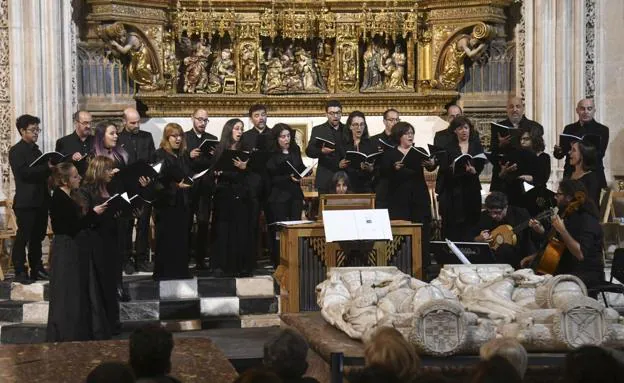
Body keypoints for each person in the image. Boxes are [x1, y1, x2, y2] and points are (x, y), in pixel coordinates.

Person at [46, 162, 108, 342]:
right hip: (66, 248)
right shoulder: (58, 198)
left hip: (75, 247)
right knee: (68, 291)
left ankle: (81, 329)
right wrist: (93, 214)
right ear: (64, 180)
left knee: (79, 289)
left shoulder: (72, 196)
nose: (79, 178)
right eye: (74, 176)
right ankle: (67, 331)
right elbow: (70, 227)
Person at [521, 180, 604, 290]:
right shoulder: (567, 215)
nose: (555, 197)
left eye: (558, 194)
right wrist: (536, 256)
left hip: (587, 272)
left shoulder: (587, 220)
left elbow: (580, 254)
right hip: (568, 266)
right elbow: (556, 244)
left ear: (569, 198)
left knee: (547, 284)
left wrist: (562, 230)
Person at [382, 121, 434, 270]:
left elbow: (430, 167)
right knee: (401, 235)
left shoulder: (419, 150)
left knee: (421, 235)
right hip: (398, 201)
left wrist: (430, 164)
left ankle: (421, 269)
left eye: (412, 133)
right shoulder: (390, 154)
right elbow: (383, 174)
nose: (410, 135)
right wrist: (394, 168)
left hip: (419, 199)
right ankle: (400, 267)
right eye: (407, 133)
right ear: (399, 136)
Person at [79, 155, 120, 337]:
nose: (111, 173)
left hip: (112, 238)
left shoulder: (112, 187)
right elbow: (83, 219)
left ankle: (113, 322)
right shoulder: (86, 190)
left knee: (112, 281)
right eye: (108, 169)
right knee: (100, 281)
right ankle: (101, 324)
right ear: (99, 171)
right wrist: (95, 213)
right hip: (96, 240)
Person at [9, 114, 52, 283]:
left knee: (38, 237)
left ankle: (37, 268)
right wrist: (46, 168)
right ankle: (20, 270)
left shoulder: (37, 151)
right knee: (24, 236)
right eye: (32, 130)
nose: (36, 133)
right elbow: (24, 173)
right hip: (26, 201)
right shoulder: (16, 151)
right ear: (22, 131)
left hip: (41, 200)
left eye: (37, 130)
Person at [211, 119, 255, 277]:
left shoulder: (246, 149)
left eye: (242, 128)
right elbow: (213, 169)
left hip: (241, 193)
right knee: (223, 229)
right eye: (236, 128)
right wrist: (216, 173)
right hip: (223, 194)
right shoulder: (220, 149)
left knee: (240, 229)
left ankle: (240, 265)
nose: (240, 131)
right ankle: (221, 264)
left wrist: (245, 167)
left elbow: (253, 172)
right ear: (229, 130)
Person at [117, 107, 156, 275]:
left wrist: (149, 177)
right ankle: (126, 260)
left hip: (144, 187)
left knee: (143, 224)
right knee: (126, 225)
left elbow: (153, 161)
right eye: (132, 122)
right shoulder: (118, 138)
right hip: (126, 188)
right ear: (124, 121)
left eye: (138, 121)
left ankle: (141, 259)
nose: (136, 125)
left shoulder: (147, 137)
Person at [152, 123, 192, 280]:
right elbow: (156, 181)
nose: (178, 139)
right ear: (167, 137)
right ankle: (164, 272)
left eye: (180, 135)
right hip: (166, 203)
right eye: (174, 136)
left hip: (182, 202)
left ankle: (180, 270)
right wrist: (175, 186)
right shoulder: (159, 155)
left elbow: (187, 174)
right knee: (166, 238)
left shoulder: (183, 155)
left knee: (181, 237)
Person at [438, 116, 485, 241]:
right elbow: (443, 168)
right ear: (455, 131)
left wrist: (474, 171)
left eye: (466, 128)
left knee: (471, 223)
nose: (464, 131)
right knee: (453, 226)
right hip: (454, 190)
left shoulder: (476, 145)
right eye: (460, 128)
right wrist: (453, 167)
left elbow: (480, 163)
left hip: (471, 188)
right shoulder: (448, 147)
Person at [490, 97, 543, 201]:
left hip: (526, 175)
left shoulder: (534, 126)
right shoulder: (499, 127)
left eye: (518, 106)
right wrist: (500, 144)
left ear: (523, 108)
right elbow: (492, 152)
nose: (514, 109)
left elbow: (539, 149)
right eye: (511, 107)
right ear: (507, 109)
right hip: (504, 177)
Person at [266, 124, 305, 267]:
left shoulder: (295, 150)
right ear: (277, 138)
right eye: (283, 136)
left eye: (288, 136)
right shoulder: (272, 154)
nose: (286, 139)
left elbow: (300, 167)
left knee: (295, 227)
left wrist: (302, 173)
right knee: (280, 231)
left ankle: (295, 260)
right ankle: (279, 261)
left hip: (295, 194)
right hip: (278, 196)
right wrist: (288, 177)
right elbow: (271, 177)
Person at [184, 108, 218, 270]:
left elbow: (214, 164)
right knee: (186, 223)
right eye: (199, 119)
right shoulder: (184, 137)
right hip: (189, 186)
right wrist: (188, 156)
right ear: (192, 118)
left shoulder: (212, 139)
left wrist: (214, 155)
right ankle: (184, 257)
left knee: (204, 223)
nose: (202, 123)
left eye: (205, 120)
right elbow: (179, 162)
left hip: (205, 186)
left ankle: (200, 258)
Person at [241, 104, 274, 266]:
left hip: (270, 185)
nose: (261, 118)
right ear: (251, 118)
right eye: (257, 115)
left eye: (263, 114)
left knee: (273, 223)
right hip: (252, 185)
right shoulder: (245, 137)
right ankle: (251, 260)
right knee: (251, 222)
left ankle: (275, 259)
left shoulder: (274, 135)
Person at [554, 98, 610, 189]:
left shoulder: (602, 130)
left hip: (593, 175)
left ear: (594, 111)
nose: (586, 112)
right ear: (577, 110)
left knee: (591, 202)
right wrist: (558, 151)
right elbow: (560, 155)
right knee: (569, 201)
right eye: (582, 108)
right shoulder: (569, 128)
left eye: (589, 108)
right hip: (571, 174)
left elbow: (600, 154)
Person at [474, 192, 536, 269]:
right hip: (491, 260)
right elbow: (471, 237)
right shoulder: (485, 216)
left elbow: (531, 240)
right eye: (490, 212)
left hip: (518, 258)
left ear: (506, 207)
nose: (493, 216)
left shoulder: (520, 214)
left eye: (497, 212)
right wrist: (479, 239)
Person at [306, 100, 347, 194]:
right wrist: (321, 151)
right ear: (327, 114)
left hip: (345, 180)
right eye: (332, 113)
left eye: (338, 113)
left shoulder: (347, 129)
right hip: (325, 178)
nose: (335, 116)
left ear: (341, 113)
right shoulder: (318, 130)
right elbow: (309, 151)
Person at [370, 109, 399, 208]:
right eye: (391, 120)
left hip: (399, 184)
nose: (394, 123)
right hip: (381, 185)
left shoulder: (402, 140)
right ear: (384, 121)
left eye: (396, 120)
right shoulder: (374, 140)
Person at [342, 111, 376, 193]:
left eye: (362, 124)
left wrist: (371, 169)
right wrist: (340, 164)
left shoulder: (371, 144)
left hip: (366, 187)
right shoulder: (343, 144)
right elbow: (336, 166)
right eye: (356, 124)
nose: (359, 127)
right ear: (350, 126)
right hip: (347, 187)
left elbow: (377, 168)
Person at [55, 110, 94, 176]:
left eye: (90, 123)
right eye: (85, 123)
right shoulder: (63, 142)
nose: (89, 126)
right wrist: (71, 158)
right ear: (76, 123)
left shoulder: (96, 141)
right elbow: (58, 165)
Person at [566, 141, 601, 208]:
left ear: (582, 155)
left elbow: (589, 204)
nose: (569, 152)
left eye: (573, 150)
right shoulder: (569, 174)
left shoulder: (592, 178)